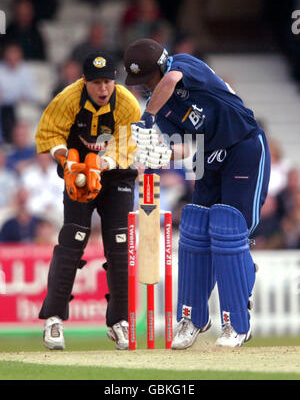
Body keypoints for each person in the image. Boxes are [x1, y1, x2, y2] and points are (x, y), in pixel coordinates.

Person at [124, 38, 271, 349]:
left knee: (231, 230)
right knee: (195, 231)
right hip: (207, 154)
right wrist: (163, 155)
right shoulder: (161, 108)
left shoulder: (183, 65)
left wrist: (147, 115)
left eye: (146, 78)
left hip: (243, 145)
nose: (143, 87)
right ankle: (193, 317)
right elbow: (184, 146)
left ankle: (236, 323)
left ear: (161, 66)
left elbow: (171, 79)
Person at [35, 51, 140, 350]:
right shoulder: (68, 98)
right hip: (77, 172)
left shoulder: (127, 103)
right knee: (73, 238)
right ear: (84, 81)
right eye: (96, 83)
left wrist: (103, 165)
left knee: (120, 245)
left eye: (107, 81)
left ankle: (119, 321)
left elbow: (127, 144)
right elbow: (49, 133)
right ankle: (53, 319)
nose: (103, 89)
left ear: (115, 80)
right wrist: (67, 161)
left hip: (115, 175)